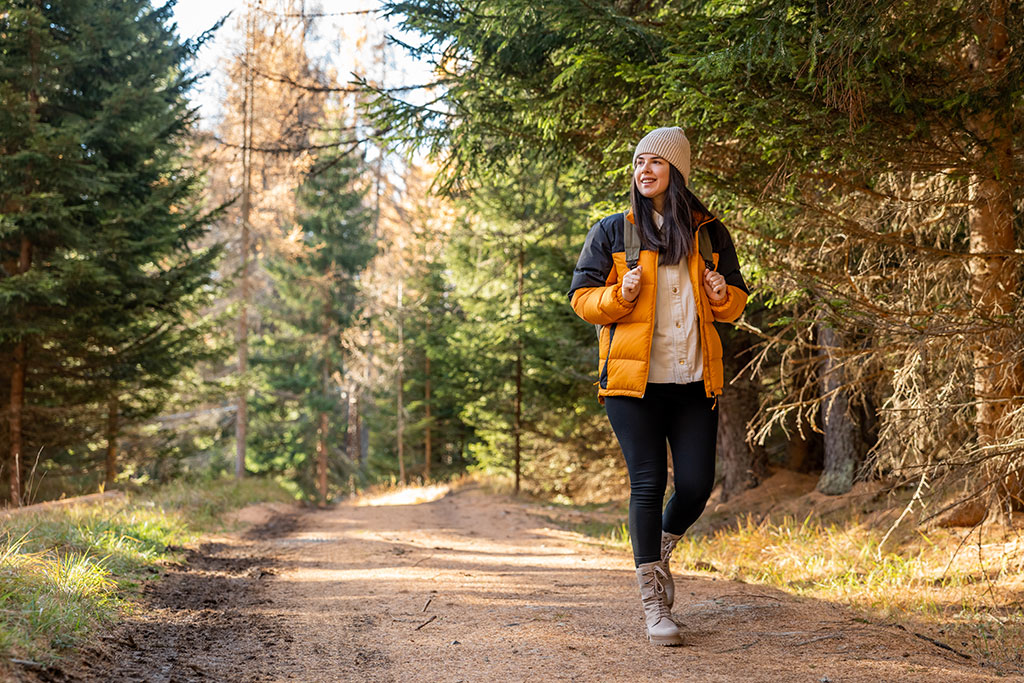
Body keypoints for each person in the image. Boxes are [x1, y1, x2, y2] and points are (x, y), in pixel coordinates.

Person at [568, 127, 749, 646]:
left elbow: (736, 303)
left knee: (695, 485)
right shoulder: (612, 231)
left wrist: (720, 294)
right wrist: (618, 297)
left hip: (693, 379)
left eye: (656, 162)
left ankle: (660, 555)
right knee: (646, 483)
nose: (644, 170)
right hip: (632, 384)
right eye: (639, 161)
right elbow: (581, 299)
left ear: (678, 171)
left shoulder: (709, 233)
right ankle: (652, 601)